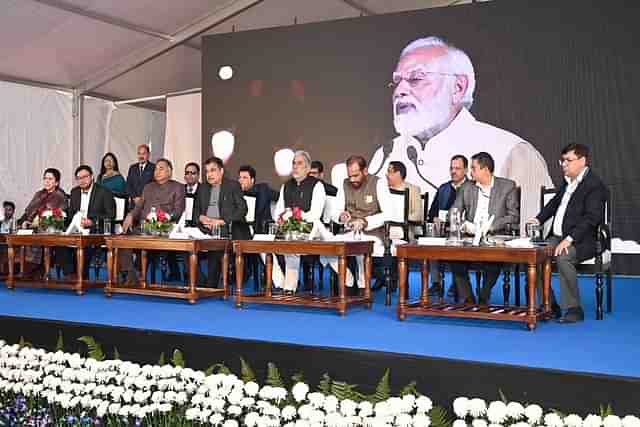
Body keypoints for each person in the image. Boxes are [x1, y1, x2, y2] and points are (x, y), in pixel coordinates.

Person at [368, 36, 551, 234]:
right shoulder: (385, 154)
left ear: (458, 88)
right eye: (397, 81)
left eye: (416, 79)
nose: (400, 91)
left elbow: (531, 230)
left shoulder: (513, 151)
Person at [528, 143, 607, 323]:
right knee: (536, 254)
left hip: (585, 240)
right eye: (562, 160)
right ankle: (549, 304)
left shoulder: (595, 185)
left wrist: (569, 239)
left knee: (564, 255)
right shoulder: (568, 181)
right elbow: (554, 203)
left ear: (582, 161)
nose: (564, 164)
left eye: (568, 160)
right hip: (558, 237)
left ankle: (574, 309)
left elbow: (591, 219)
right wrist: (538, 219)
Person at [449, 152, 519, 304]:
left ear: (485, 170)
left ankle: (484, 294)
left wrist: (491, 226)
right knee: (454, 258)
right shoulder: (467, 187)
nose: (470, 172)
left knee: (493, 259)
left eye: (473, 168)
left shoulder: (507, 186)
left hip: (494, 238)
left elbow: (513, 217)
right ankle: (468, 298)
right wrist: (460, 223)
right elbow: (454, 211)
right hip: (469, 237)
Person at [320, 155, 391, 292]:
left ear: (365, 171)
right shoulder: (344, 183)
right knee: (327, 249)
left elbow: (388, 213)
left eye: (356, 176)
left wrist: (365, 222)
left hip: (372, 233)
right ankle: (349, 279)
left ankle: (363, 287)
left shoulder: (378, 183)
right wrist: (341, 216)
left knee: (360, 249)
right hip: (350, 231)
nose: (352, 180)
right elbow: (335, 212)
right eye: (350, 176)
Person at [122, 158, 185, 284]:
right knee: (122, 240)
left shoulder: (177, 187)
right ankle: (130, 273)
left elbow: (178, 212)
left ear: (169, 171)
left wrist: (163, 219)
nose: (157, 171)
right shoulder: (148, 187)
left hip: (164, 229)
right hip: (143, 227)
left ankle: (138, 273)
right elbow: (138, 207)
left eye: (161, 168)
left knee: (147, 241)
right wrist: (130, 215)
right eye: (156, 168)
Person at [272, 151, 326, 294]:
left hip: (312, 226)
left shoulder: (317, 185)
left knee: (292, 239)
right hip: (290, 227)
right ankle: (283, 283)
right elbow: (278, 210)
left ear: (308, 169)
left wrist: (298, 215)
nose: (295, 167)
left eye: (299, 163)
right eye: (293, 163)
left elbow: (315, 214)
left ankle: (349, 281)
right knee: (267, 246)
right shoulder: (286, 185)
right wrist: (283, 216)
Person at [194, 157, 249, 288]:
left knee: (215, 249)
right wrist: (201, 218)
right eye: (207, 171)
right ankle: (201, 283)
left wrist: (222, 221)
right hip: (204, 230)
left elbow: (242, 209)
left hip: (224, 229)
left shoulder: (232, 186)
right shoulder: (202, 188)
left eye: (213, 170)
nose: (209, 174)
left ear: (221, 171)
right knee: (185, 248)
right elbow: (195, 210)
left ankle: (210, 286)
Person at [62, 165, 116, 276]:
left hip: (95, 229)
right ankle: (70, 276)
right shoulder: (74, 192)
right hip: (76, 229)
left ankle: (81, 276)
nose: (82, 180)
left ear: (92, 177)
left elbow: (111, 215)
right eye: (79, 178)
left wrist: (92, 221)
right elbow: (71, 214)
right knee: (61, 243)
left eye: (85, 177)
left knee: (84, 245)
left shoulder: (104, 192)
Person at [427, 154, 468, 297]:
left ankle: (458, 284)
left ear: (466, 170)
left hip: (464, 232)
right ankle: (436, 283)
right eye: (451, 168)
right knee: (431, 244)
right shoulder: (443, 188)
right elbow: (431, 213)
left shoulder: (472, 188)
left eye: (457, 168)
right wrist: (435, 218)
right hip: (443, 231)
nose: (453, 171)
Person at [17, 168, 67, 276]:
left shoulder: (60, 196)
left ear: (57, 182)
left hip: (49, 228)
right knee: (16, 234)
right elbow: (28, 211)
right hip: (31, 227)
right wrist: (23, 221)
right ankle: (16, 267)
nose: (47, 181)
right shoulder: (39, 194)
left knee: (35, 235)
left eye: (50, 179)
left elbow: (54, 217)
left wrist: (33, 224)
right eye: (45, 178)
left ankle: (31, 268)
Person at [238, 165, 279, 234]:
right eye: (239, 177)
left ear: (252, 180)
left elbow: (280, 197)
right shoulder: (235, 193)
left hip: (262, 232)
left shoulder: (263, 190)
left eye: (244, 177)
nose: (241, 180)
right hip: (241, 232)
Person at [0, 201, 16, 274]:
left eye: (9, 210)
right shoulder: (0, 222)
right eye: (6, 209)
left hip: (10, 244)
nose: (7, 212)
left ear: (13, 211)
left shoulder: (15, 222)